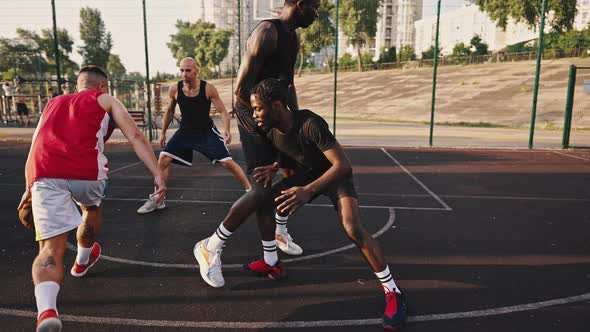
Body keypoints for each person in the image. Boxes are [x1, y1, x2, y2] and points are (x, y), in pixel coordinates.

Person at [17, 65, 166, 332]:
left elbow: (35, 142)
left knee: (49, 251)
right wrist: (157, 173)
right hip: (87, 173)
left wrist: (29, 186)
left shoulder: (52, 103)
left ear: (78, 85)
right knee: (91, 207)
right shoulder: (105, 99)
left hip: (45, 170)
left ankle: (47, 311)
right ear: (102, 87)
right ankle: (82, 261)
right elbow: (135, 135)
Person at [257, 77, 407, 330]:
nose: (255, 113)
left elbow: (343, 164)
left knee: (352, 228)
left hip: (335, 176)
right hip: (309, 176)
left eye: (258, 107)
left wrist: (308, 190)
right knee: (262, 200)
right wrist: (274, 168)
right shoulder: (272, 131)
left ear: (277, 106)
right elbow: (290, 152)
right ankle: (271, 259)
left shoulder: (311, 123)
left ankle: (394, 292)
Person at [192, 0, 319, 291]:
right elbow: (239, 91)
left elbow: (288, 86)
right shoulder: (267, 33)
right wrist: (257, 128)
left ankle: (272, 254)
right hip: (254, 118)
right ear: (300, 5)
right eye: (316, 7)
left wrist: (295, 123)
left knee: (291, 175)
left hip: (276, 118)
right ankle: (211, 246)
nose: (317, 13)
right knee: (261, 189)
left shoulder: (292, 36)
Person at [136, 57, 251, 214]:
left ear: (196, 71)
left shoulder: (208, 88)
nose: (184, 74)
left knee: (227, 162)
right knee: (163, 159)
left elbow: (223, 111)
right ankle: (158, 200)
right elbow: (169, 111)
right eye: (182, 70)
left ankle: (250, 191)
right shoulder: (175, 89)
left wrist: (227, 130)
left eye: (188, 70)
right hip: (185, 132)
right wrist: (162, 133)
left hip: (206, 132)